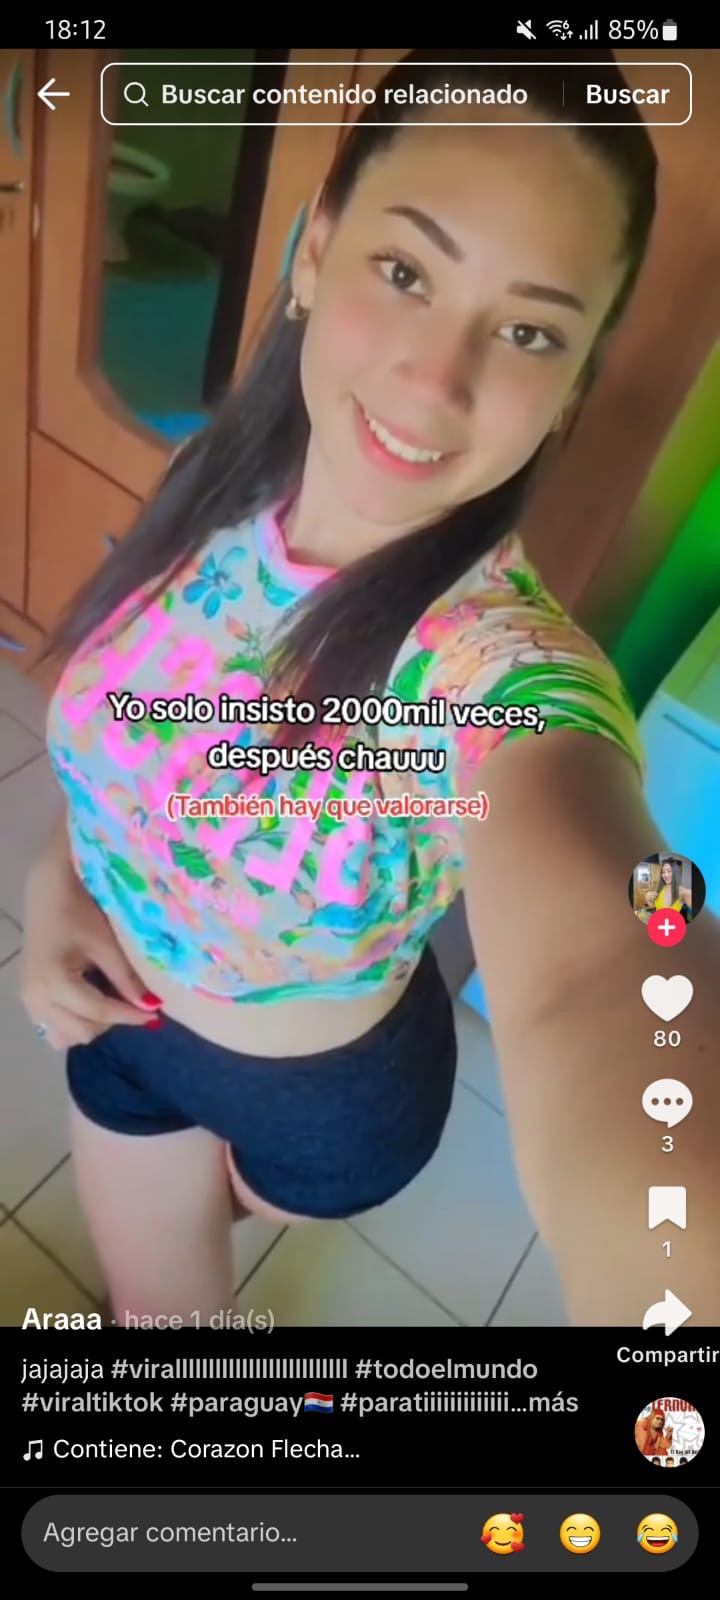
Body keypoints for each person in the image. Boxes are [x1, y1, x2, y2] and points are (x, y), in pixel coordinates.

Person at [19, 49, 720, 1328]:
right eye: (405, 271)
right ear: (316, 250)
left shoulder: (490, 667)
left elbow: (598, 966)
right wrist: (58, 880)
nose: (436, 380)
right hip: (121, 1030)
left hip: (321, 1107)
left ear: (571, 385)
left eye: (529, 330)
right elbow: (136, 743)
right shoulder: (210, 485)